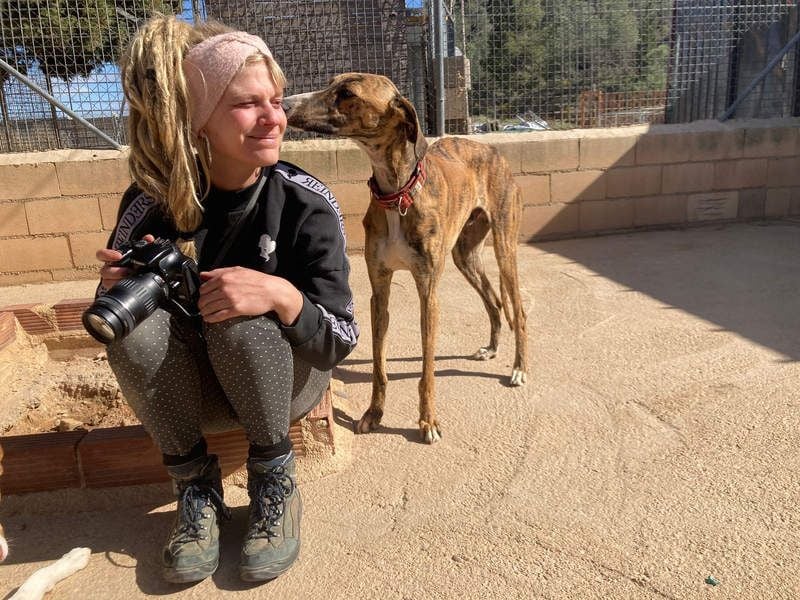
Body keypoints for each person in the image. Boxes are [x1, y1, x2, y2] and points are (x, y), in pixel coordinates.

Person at [94, 14, 358, 584]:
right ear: (198, 123)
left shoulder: (305, 203)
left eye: (277, 100)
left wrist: (283, 295)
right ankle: (196, 489)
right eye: (246, 105)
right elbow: (112, 317)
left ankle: (273, 478)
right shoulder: (149, 203)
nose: (273, 119)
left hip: (283, 381)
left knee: (244, 321)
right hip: (195, 391)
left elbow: (340, 341)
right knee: (134, 330)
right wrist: (116, 288)